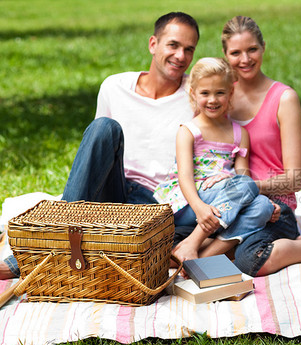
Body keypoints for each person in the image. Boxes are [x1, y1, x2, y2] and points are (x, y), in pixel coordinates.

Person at [0, 12, 199, 279]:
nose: (180, 56)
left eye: (189, 49)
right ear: (153, 44)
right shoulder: (115, 86)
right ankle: (53, 240)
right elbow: (97, 150)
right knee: (105, 127)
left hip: (153, 205)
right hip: (113, 189)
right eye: (173, 45)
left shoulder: (197, 97)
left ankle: (35, 255)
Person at [174, 16, 301, 276]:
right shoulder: (220, 93)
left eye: (252, 49)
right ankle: (205, 248)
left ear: (263, 47)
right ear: (225, 55)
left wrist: (246, 187)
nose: (245, 59)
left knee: (250, 260)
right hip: (223, 203)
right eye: (235, 52)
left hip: (273, 206)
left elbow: (295, 179)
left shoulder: (284, 98)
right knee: (164, 239)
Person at [153, 57, 274, 262]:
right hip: (190, 204)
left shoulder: (239, 134)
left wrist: (228, 180)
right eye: (205, 93)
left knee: (263, 206)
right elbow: (184, 178)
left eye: (220, 92)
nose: (213, 100)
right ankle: (195, 241)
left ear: (230, 93)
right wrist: (200, 208)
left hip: (224, 200)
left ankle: (199, 255)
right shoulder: (189, 131)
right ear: (193, 93)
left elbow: (243, 174)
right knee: (244, 186)